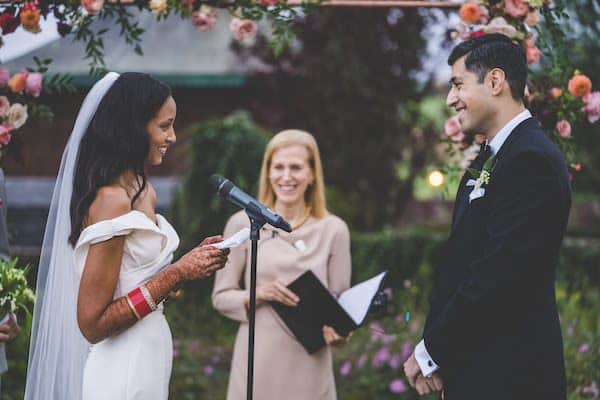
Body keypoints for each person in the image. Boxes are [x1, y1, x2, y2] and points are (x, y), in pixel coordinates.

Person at [25, 72, 229, 400]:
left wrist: (189, 266)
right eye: (165, 126)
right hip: (122, 366)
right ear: (134, 127)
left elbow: (136, 278)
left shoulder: (141, 189)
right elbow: (92, 323)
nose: (173, 137)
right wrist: (177, 272)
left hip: (150, 355)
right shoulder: (112, 200)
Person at [403, 33, 571, 399]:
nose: (450, 99)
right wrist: (437, 348)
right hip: (476, 370)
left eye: (458, 85)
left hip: (512, 377)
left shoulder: (531, 160)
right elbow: (462, 260)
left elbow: (500, 272)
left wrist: (432, 349)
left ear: (495, 82)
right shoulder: (491, 157)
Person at [212, 129, 352, 400]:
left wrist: (341, 333)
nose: (286, 176)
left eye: (296, 167)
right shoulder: (242, 224)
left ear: (312, 175)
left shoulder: (334, 230)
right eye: (278, 167)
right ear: (268, 172)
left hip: (310, 366)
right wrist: (260, 294)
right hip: (257, 362)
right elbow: (220, 297)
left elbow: (341, 309)